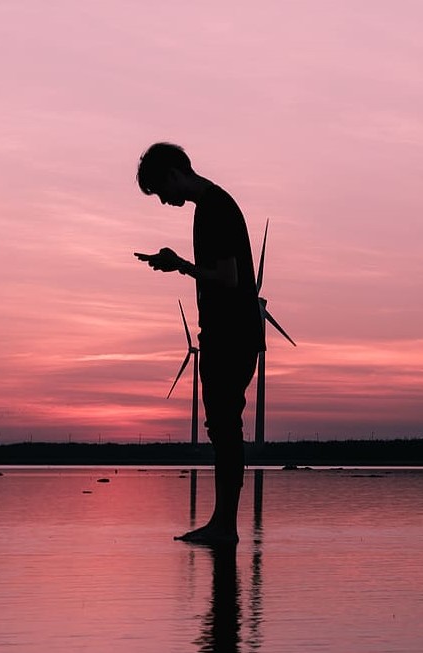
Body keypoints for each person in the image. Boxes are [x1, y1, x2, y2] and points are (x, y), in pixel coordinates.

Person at [134, 142, 265, 544]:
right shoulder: (213, 207)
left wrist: (182, 266)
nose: (163, 201)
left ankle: (225, 527)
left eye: (160, 191)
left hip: (231, 335)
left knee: (225, 428)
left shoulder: (215, 210)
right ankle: (222, 523)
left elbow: (228, 278)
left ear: (174, 173)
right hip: (229, 333)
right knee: (223, 427)